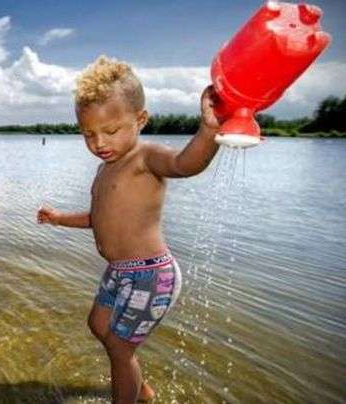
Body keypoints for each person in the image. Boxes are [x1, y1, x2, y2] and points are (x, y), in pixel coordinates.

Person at [37, 56, 221, 403]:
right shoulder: (105, 169)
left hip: (151, 276)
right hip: (119, 271)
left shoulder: (146, 157)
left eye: (110, 131)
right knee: (99, 325)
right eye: (88, 134)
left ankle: (129, 394)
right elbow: (99, 218)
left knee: (120, 350)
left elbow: (185, 165)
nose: (99, 143)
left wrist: (208, 131)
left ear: (141, 120)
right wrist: (60, 218)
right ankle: (143, 391)